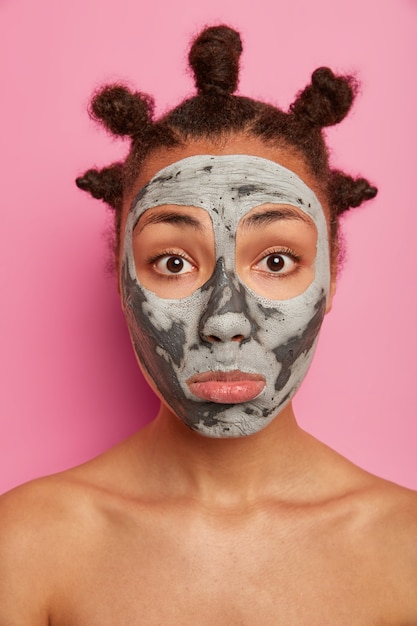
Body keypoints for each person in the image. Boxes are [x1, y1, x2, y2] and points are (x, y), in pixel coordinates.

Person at [0, 25, 416, 625]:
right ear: (122, 279)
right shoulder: (27, 546)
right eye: (173, 262)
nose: (225, 320)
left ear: (329, 282)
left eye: (276, 261)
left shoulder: (406, 550)